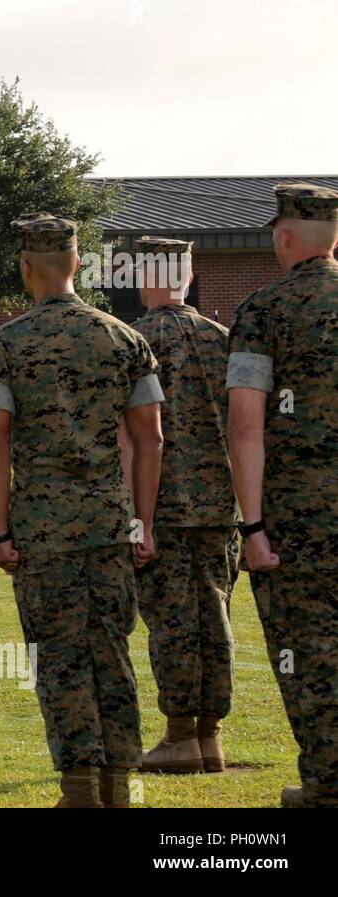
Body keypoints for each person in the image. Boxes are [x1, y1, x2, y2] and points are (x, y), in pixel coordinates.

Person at [0, 214, 165, 808]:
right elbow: (151, 439)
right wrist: (144, 523)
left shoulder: (3, 345)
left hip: (41, 531)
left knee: (59, 657)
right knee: (111, 650)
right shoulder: (125, 338)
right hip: (111, 525)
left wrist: (0, 532)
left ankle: (80, 787)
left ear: (25, 267)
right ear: (78, 264)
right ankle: (118, 784)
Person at [227, 182, 338, 808]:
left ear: (284, 235)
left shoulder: (265, 310)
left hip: (299, 522)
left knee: (310, 655)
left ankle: (327, 786)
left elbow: (246, 425)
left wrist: (253, 527)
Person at [124, 236, 238, 775]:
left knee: (171, 622)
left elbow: (131, 439)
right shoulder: (225, 340)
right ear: (189, 278)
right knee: (214, 616)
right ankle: (210, 736)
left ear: (140, 277)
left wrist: (136, 519)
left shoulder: (131, 342)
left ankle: (178, 737)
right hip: (221, 506)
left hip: (159, 505)